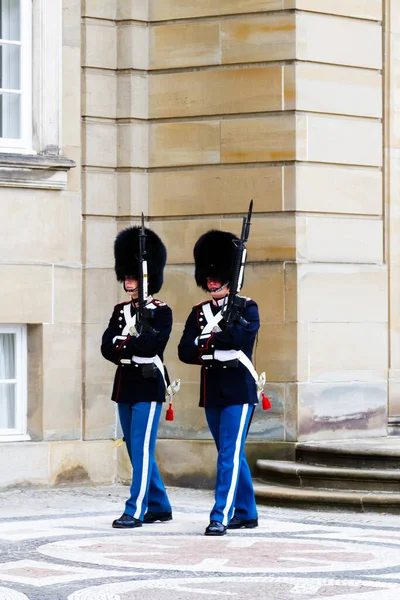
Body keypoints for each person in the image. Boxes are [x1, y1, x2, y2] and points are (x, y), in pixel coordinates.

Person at [178, 229, 260, 536]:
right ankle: (248, 512)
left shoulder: (247, 307)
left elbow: (238, 339)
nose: (212, 281)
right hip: (212, 389)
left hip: (239, 390)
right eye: (208, 277)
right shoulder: (199, 313)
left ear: (229, 275)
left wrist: (208, 342)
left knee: (228, 454)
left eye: (217, 276)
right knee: (230, 453)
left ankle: (220, 515)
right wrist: (214, 343)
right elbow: (184, 350)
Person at [101, 225, 172, 529]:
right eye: (126, 277)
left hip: (148, 385)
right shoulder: (120, 311)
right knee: (134, 447)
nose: (128, 282)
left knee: (142, 448)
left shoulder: (161, 311)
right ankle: (159, 504)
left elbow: (152, 345)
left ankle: (136, 508)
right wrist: (126, 346)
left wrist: (124, 345)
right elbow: (106, 346)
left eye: (133, 277)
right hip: (125, 386)